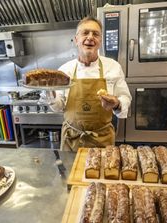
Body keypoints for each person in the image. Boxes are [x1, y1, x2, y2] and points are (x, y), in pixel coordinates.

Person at [49, 16, 132, 151]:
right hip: (72, 140)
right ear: (76, 40)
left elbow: (125, 98)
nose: (90, 37)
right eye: (85, 33)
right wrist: (49, 92)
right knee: (71, 171)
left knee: (104, 172)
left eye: (95, 34)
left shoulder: (113, 67)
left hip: (102, 139)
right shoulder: (64, 71)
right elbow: (59, 107)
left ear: (100, 41)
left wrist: (116, 103)